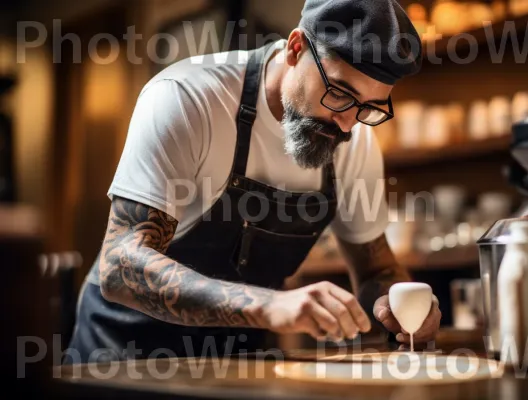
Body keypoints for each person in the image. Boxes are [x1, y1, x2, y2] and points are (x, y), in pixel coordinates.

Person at [65, 0, 441, 364]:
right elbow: (120, 267)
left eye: (369, 108)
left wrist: (400, 306)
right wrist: (269, 305)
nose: (347, 124)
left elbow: (376, 271)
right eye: (341, 93)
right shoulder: (189, 98)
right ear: (296, 48)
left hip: (235, 369)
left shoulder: (352, 140)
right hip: (121, 361)